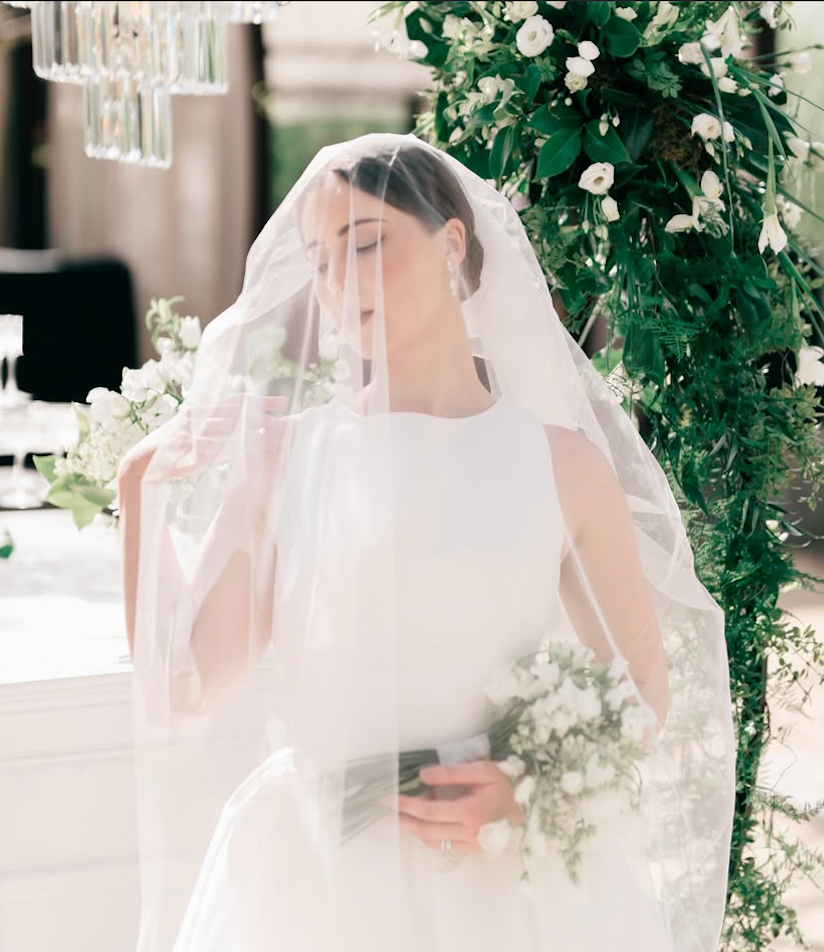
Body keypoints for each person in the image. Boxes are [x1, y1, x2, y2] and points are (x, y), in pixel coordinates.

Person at [118, 133, 735, 952]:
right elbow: (180, 691)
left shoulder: (562, 465)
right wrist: (136, 491)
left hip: (509, 887)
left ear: (451, 243)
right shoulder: (283, 458)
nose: (340, 285)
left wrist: (524, 785)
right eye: (321, 261)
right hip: (320, 889)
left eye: (366, 245)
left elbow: (645, 698)